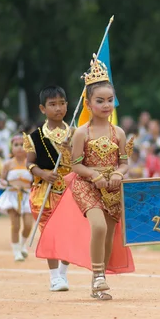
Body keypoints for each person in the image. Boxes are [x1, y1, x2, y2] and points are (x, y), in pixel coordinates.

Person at [39, 56, 135, 301]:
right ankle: (100, 276)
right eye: (100, 100)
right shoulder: (82, 133)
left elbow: (124, 163)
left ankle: (97, 280)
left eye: (110, 100)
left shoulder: (119, 133)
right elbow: (75, 165)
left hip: (112, 188)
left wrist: (117, 173)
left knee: (110, 233)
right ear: (88, 103)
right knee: (99, 226)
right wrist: (94, 175)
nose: (106, 105)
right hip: (86, 186)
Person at [23, 85, 73, 292]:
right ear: (43, 109)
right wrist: (43, 173)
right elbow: (29, 164)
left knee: (70, 232)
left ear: (67, 106)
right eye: (52, 104)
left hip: (71, 190)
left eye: (61, 103)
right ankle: (54, 277)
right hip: (46, 191)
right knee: (50, 233)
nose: (58, 108)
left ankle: (63, 271)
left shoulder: (75, 133)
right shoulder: (34, 137)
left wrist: (71, 146)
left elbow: (81, 159)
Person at [0, 135, 33, 261]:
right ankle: (16, 252)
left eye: (22, 144)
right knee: (15, 225)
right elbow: (1, 180)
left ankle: (22, 246)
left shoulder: (31, 163)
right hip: (12, 196)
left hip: (27, 196)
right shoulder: (8, 164)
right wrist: (4, 183)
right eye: (16, 145)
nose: (19, 147)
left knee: (28, 225)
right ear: (12, 147)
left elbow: (35, 181)